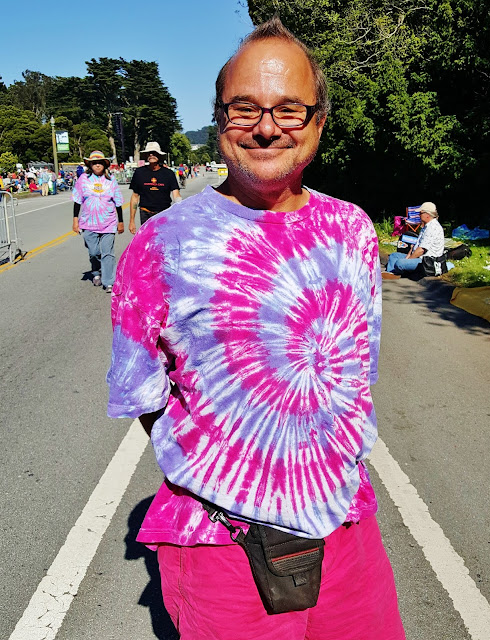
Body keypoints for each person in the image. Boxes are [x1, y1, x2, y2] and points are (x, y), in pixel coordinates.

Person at [107, 17, 405, 640]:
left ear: (319, 121)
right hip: (221, 543)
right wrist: (229, 464)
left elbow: (355, 373)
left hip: (347, 526)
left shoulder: (352, 229)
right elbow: (142, 394)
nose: (267, 127)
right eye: (245, 108)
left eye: (289, 109)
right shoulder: (162, 244)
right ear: (219, 119)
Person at [72, 150, 124, 292]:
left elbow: (118, 201)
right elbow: (77, 200)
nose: (97, 165)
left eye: (100, 162)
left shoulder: (111, 180)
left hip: (108, 222)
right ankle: (96, 271)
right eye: (94, 163)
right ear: (90, 165)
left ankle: (109, 281)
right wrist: (75, 220)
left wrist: (121, 221)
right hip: (88, 222)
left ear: (104, 164)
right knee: (94, 252)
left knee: (108, 253)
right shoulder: (83, 179)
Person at [128, 142, 181, 234]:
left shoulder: (168, 174)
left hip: (163, 213)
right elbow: (135, 197)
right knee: (148, 240)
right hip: (145, 213)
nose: (151, 155)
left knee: (163, 239)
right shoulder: (139, 173)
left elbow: (176, 195)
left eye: (154, 153)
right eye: (149, 153)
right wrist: (131, 221)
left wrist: (180, 212)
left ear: (159, 155)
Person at [383, 201, 445, 279]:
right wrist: (408, 256)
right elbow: (415, 246)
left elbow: (421, 250)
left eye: (420, 213)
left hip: (427, 261)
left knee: (400, 263)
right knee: (394, 256)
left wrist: (408, 260)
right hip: (418, 256)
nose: (419, 215)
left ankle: (399, 272)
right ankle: (392, 273)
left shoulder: (432, 228)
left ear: (427, 215)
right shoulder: (425, 227)